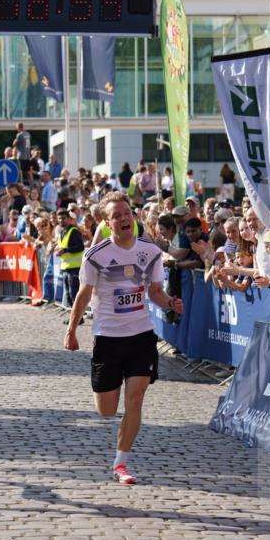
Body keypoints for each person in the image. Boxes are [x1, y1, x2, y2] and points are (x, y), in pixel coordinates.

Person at [63, 192, 184, 485]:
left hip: (141, 333)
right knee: (106, 410)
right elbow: (82, 295)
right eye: (116, 216)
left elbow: (154, 291)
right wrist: (71, 329)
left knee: (136, 398)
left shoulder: (150, 251)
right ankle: (114, 431)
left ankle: (121, 463)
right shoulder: (96, 255)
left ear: (134, 217)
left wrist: (169, 303)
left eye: (127, 213)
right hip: (108, 336)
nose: (123, 218)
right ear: (107, 223)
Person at [55, 207, 85, 313]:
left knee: (74, 294)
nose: (61, 221)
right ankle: (74, 316)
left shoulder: (73, 231)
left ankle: (78, 317)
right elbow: (62, 248)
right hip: (66, 268)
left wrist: (65, 250)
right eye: (59, 219)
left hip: (75, 268)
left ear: (68, 219)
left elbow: (80, 247)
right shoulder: (62, 232)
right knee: (68, 295)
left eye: (63, 218)